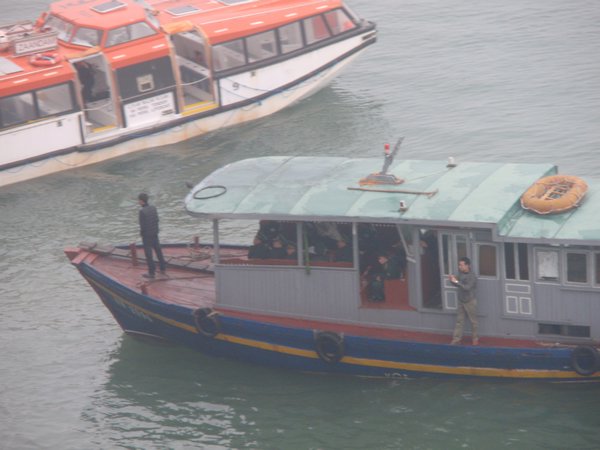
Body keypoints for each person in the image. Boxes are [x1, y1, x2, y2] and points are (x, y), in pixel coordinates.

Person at [449, 257, 478, 345]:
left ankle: (475, 339)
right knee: (459, 321)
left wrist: (456, 281)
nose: (459, 267)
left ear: (467, 265)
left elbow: (467, 287)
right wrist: (452, 280)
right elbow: (456, 284)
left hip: (470, 301)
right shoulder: (460, 274)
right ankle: (456, 340)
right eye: (459, 265)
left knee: (473, 322)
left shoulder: (472, 276)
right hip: (461, 300)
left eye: (461, 265)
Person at [138, 193, 166, 279]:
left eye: (139, 200)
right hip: (155, 233)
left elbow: (142, 226)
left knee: (149, 255)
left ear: (142, 201)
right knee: (158, 251)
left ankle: (151, 272)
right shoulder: (153, 208)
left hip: (147, 236)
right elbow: (157, 220)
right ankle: (163, 267)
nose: (138, 202)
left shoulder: (142, 211)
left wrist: (142, 234)